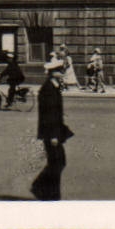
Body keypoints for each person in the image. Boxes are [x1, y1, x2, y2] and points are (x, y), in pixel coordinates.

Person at [32, 60, 74, 200]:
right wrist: (53, 136)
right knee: (57, 162)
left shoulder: (53, 86)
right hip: (51, 133)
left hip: (54, 132)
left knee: (57, 162)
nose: (62, 73)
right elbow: (49, 115)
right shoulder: (48, 89)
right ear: (52, 73)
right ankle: (44, 190)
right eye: (59, 71)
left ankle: (47, 191)